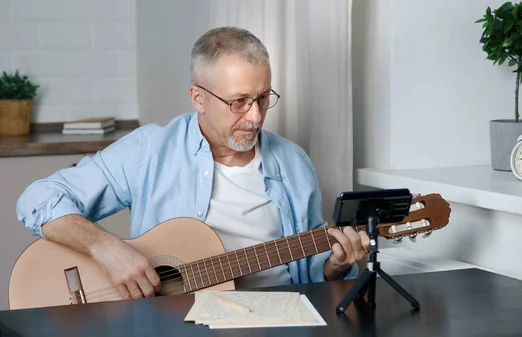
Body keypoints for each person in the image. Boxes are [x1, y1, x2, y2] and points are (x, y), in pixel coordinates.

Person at [16, 26, 369, 301]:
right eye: (239, 101)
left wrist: (337, 265)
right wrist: (105, 247)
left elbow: (310, 274)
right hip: (172, 323)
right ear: (198, 97)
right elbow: (39, 198)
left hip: (276, 317)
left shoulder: (293, 163)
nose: (256, 116)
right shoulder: (150, 149)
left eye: (263, 97)